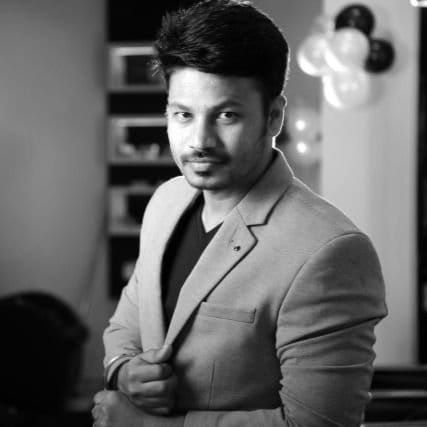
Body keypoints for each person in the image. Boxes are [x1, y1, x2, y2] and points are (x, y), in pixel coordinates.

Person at [92, 1, 387, 426]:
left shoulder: (331, 251)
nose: (200, 140)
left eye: (226, 115)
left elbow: (319, 424)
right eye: (183, 115)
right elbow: (127, 323)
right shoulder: (165, 201)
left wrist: (146, 425)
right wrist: (124, 370)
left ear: (274, 117)